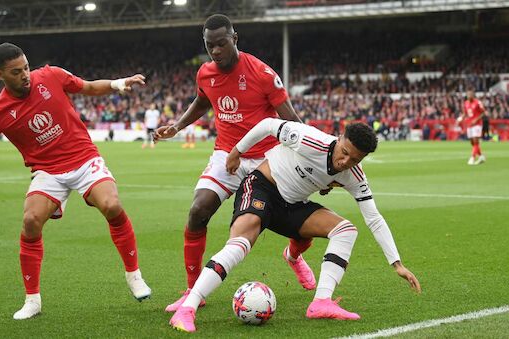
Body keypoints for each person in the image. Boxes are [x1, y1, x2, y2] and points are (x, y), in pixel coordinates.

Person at [0, 43, 152, 320]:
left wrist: (119, 83)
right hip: (48, 171)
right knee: (30, 221)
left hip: (83, 158)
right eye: (16, 72)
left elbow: (87, 87)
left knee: (111, 205)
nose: (25, 74)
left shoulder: (50, 75)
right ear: (0, 75)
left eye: (26, 67)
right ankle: (32, 300)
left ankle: (134, 275)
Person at [170, 119, 421, 332]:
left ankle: (321, 302)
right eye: (344, 152)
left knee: (346, 230)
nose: (345, 161)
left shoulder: (354, 175)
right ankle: (188, 307)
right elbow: (268, 125)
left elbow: (373, 217)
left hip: (292, 205)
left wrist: (396, 263)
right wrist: (237, 150)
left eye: (354, 159)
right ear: (340, 137)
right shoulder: (311, 139)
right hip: (262, 187)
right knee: (240, 244)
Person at [154, 14, 305, 312]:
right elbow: (202, 101)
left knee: (298, 222)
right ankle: (193, 289)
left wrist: (313, 156)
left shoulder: (261, 73)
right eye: (210, 46)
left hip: (266, 158)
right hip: (227, 154)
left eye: (222, 44)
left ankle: (294, 256)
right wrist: (177, 126)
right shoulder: (205, 73)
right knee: (198, 211)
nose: (216, 51)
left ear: (235, 38)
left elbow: (291, 119)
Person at [460, 89, 486, 165]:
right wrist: (461, 118)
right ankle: (481, 156)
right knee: (472, 143)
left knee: (475, 141)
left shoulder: (478, 102)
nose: (468, 96)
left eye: (470, 94)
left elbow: (483, 112)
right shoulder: (466, 103)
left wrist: (476, 119)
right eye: (467, 94)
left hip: (477, 124)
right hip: (469, 124)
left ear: (473, 95)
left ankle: (472, 157)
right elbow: (465, 113)